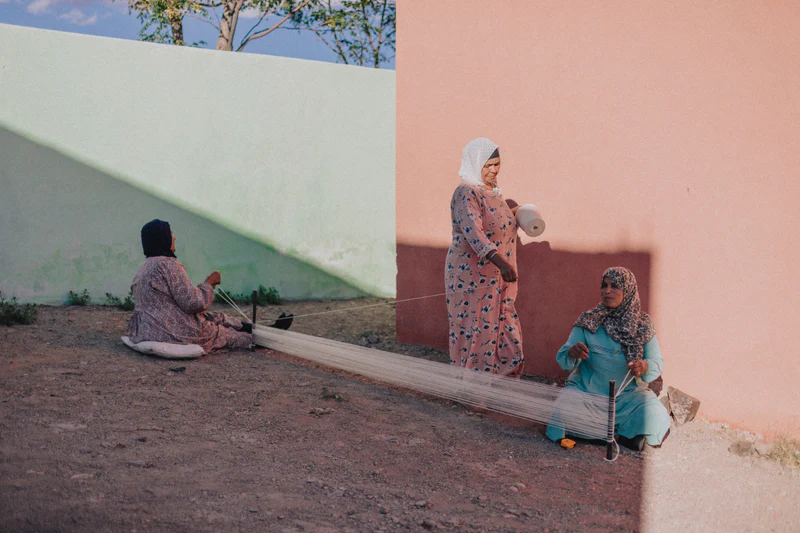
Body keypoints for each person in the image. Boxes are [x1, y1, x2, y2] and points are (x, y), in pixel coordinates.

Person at [546, 267, 671, 450]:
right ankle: (624, 436)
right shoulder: (588, 321)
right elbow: (564, 359)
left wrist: (644, 366)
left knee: (656, 415)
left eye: (615, 286)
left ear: (628, 290)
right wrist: (572, 353)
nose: (608, 290)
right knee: (564, 405)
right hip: (587, 394)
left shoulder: (642, 327)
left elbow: (657, 361)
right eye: (604, 286)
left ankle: (598, 433)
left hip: (627, 400)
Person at [127, 219, 290, 354]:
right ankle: (268, 338)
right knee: (221, 334)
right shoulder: (168, 265)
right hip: (168, 330)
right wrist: (209, 283)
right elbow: (193, 304)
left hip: (144, 329)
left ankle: (269, 330)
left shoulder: (146, 266)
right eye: (171, 234)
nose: (174, 238)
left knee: (216, 317)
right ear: (162, 238)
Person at [445, 137, 524, 377]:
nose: (493, 170)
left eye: (497, 164)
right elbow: (475, 234)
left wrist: (518, 214)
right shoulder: (466, 193)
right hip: (472, 278)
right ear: (475, 164)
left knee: (505, 331)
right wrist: (502, 264)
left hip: (498, 279)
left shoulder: (493, 192)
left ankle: (502, 390)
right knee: (477, 332)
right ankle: (475, 394)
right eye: (487, 165)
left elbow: (495, 222)